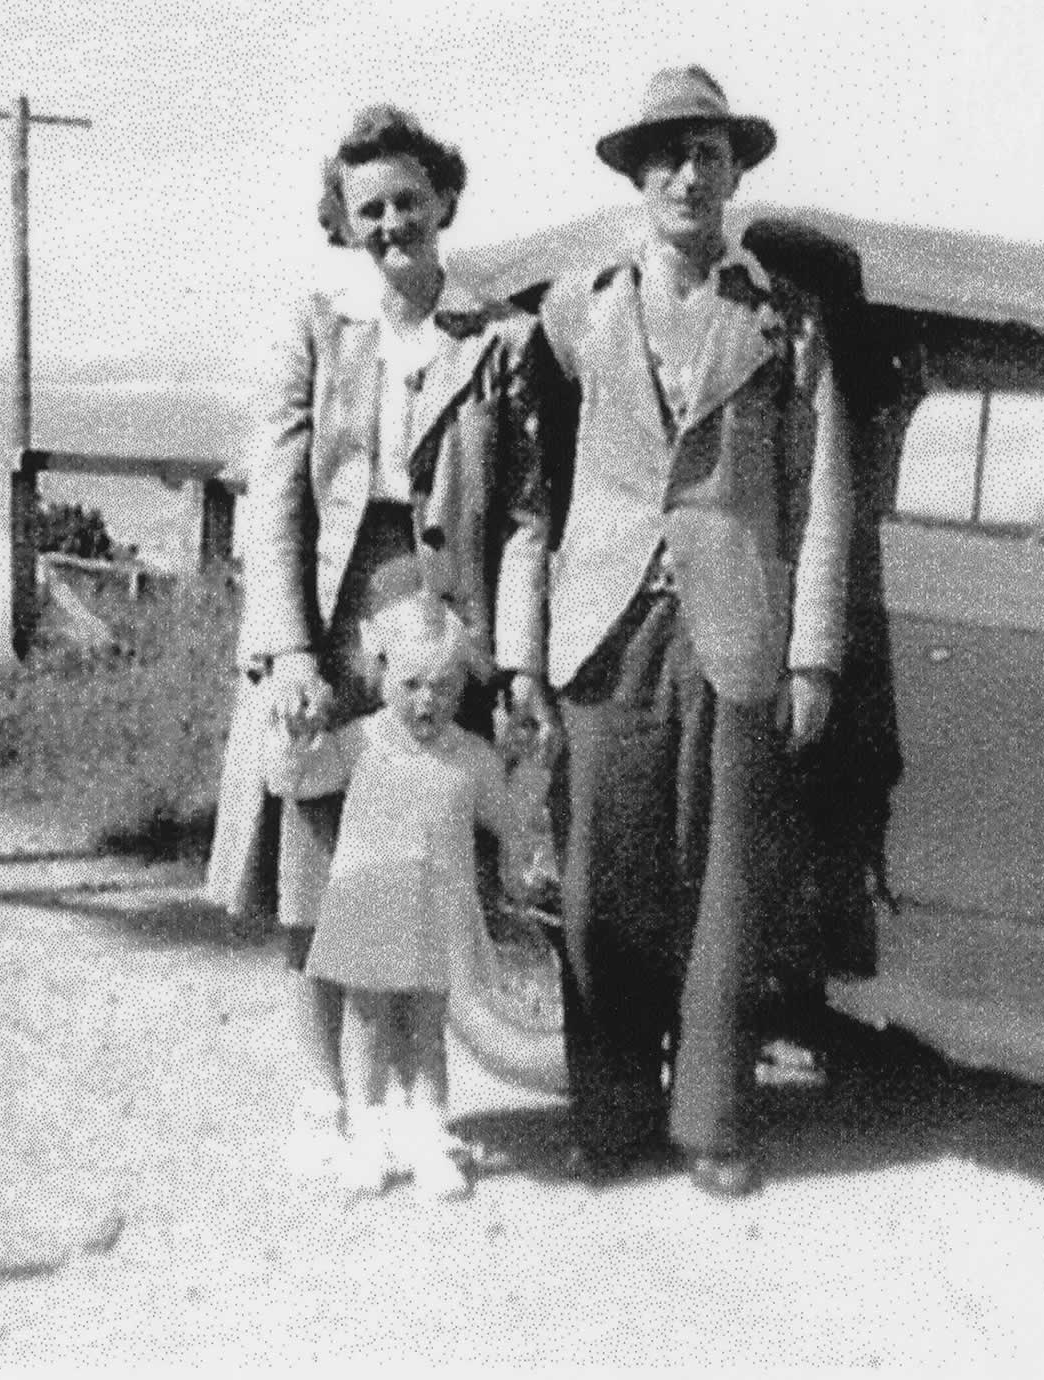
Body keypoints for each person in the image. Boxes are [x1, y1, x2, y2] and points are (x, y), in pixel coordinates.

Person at [205, 104, 552, 1182]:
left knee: (417, 870)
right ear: (345, 225)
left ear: (443, 200)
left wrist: (518, 656)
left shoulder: (499, 339)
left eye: (410, 200)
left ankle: (414, 1108)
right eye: (370, 209)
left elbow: (529, 517)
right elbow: (275, 501)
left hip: (439, 634)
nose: (394, 223)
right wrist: (289, 651)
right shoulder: (318, 328)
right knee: (316, 868)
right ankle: (324, 1098)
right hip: (327, 623)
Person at [538, 65, 851, 1197]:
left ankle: (712, 1126)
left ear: (733, 171)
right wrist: (531, 646)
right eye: (663, 153)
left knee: (728, 887)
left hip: (735, 630)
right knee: (602, 879)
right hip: (607, 626)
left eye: (706, 152)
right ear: (635, 173)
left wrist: (812, 648)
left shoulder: (781, 317)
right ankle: (610, 1118)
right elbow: (538, 483)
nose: (685, 172)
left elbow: (820, 492)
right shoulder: (579, 309)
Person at [265, 593, 525, 1198]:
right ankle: (367, 1134)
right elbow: (293, 781)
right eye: (410, 683)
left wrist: (529, 768)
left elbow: (509, 818)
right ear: (381, 672)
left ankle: (428, 1136)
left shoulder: (473, 759)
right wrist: (291, 737)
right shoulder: (361, 741)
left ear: (463, 686)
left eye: (444, 686)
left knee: (428, 1026)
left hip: (436, 908)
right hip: (368, 902)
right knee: (366, 1020)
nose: (427, 701)